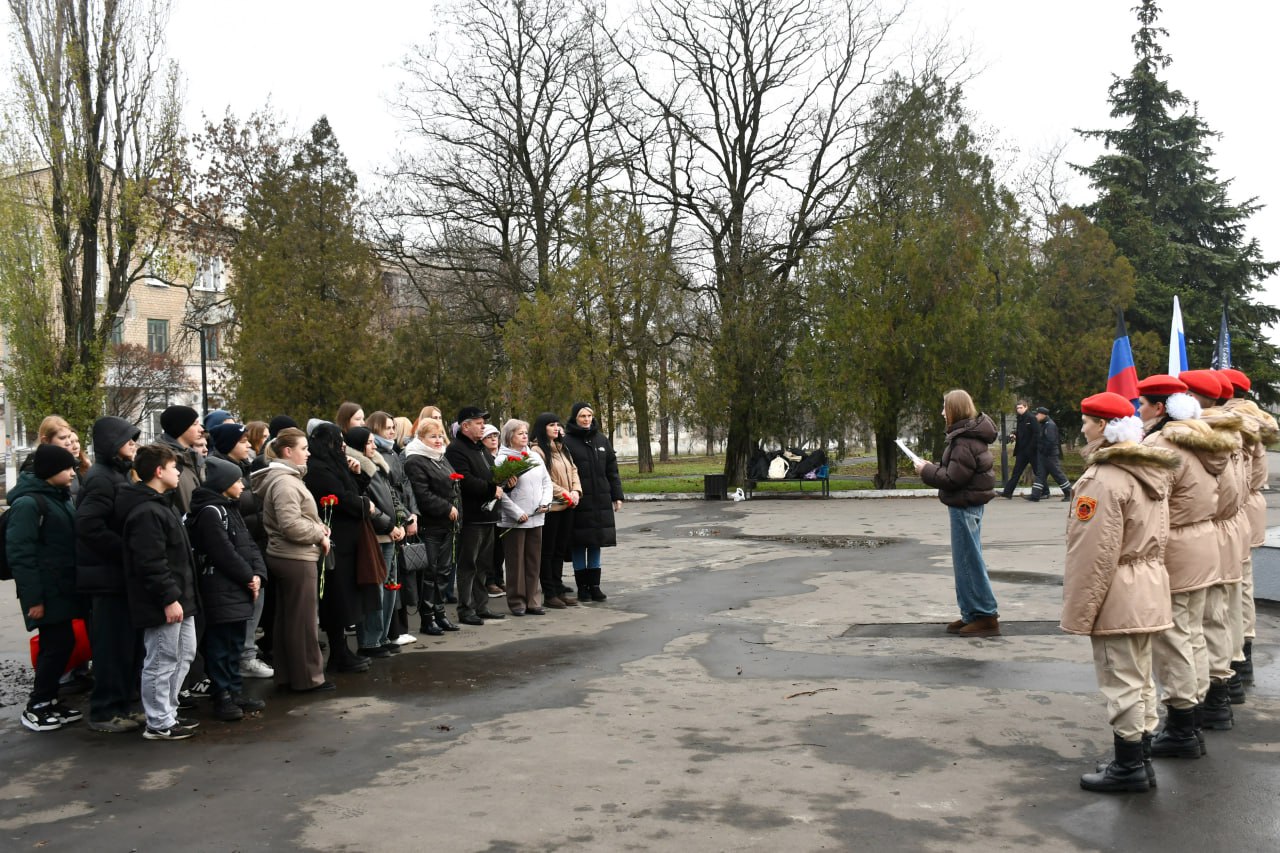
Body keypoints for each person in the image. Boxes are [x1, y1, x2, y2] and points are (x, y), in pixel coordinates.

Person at [1062, 391, 1178, 793]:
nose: (1082, 427)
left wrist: (1080, 613)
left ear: (1102, 428)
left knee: (1121, 679)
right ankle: (1140, 758)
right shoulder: (1146, 470)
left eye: (1087, 421)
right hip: (1148, 587)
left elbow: (1092, 555)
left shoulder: (1103, 479)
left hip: (1120, 593)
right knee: (1141, 675)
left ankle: (1128, 766)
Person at [1137, 374, 1230, 759]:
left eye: (1142, 404)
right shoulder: (1202, 440)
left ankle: (1181, 726)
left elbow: (1147, 504)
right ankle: (1193, 718)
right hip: (1203, 542)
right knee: (1191, 632)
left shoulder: (1162, 443)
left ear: (1159, 408)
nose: (1137, 411)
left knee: (1174, 637)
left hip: (1177, 544)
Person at [117, 444, 200, 741]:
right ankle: (158, 721)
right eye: (174, 467)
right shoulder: (146, 511)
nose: (178, 472)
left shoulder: (162, 504)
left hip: (180, 598)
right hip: (165, 601)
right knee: (162, 659)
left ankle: (169, 712)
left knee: (183, 655)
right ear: (158, 471)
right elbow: (150, 562)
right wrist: (168, 598)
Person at [1179, 369, 1246, 731]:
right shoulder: (1227, 435)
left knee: (1201, 620)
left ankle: (1209, 698)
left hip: (1211, 529)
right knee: (1215, 615)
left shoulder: (1205, 438)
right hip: (1223, 528)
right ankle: (1218, 691)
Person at [250, 428, 333, 693]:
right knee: (303, 622)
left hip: (290, 555)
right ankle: (308, 678)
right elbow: (291, 525)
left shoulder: (286, 478)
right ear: (288, 451)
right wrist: (319, 532)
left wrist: (319, 527)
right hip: (295, 557)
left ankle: (289, 676)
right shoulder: (285, 482)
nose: (308, 453)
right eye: (304, 448)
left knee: (289, 620)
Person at [9, 445, 85, 732]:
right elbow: (21, 555)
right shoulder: (29, 504)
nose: (72, 472)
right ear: (51, 471)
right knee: (54, 646)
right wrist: (34, 599)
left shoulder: (59, 498)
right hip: (46, 591)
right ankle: (37, 705)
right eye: (67, 468)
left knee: (62, 644)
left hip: (62, 587)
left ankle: (49, 700)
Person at [187, 457, 268, 722]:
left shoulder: (229, 508)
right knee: (220, 644)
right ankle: (222, 695)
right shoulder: (211, 512)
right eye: (236, 481)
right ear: (223, 484)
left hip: (236, 587)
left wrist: (258, 574)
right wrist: (248, 576)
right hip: (220, 587)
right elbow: (222, 551)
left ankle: (234, 691)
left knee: (233, 642)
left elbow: (249, 546)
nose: (242, 485)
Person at [75, 415, 143, 734]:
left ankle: (123, 705)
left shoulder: (116, 474)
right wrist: (126, 550)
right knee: (111, 647)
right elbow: (89, 526)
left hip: (117, 576)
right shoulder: (103, 478)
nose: (135, 445)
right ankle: (104, 712)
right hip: (107, 579)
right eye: (129, 441)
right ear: (113, 445)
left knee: (126, 645)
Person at [914, 389, 1001, 637]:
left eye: (944, 407)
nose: (942, 412)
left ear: (953, 410)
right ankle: (972, 613)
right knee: (966, 559)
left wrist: (926, 470)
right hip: (967, 504)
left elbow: (953, 478)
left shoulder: (963, 441)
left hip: (964, 504)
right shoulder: (968, 437)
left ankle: (985, 614)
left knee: (968, 561)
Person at [1219, 368, 1277, 691]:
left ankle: (1236, 657)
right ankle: (1245, 656)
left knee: (1230, 588)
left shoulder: (1234, 425)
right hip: (1249, 506)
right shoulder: (1254, 422)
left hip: (1236, 508)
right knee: (1242, 583)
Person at [305, 422, 377, 673]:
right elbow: (341, 498)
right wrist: (363, 505)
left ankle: (343, 650)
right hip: (336, 541)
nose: (343, 445)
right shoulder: (318, 468)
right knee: (337, 598)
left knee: (347, 597)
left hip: (348, 539)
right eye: (338, 441)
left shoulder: (333, 463)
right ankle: (338, 651)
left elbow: (352, 490)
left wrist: (357, 474)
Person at [209, 422, 275, 680]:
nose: (249, 445)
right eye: (242, 441)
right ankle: (241, 661)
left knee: (255, 602)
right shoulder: (220, 474)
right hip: (237, 551)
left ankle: (245, 655)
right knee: (242, 606)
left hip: (252, 545)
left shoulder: (244, 467)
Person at [345, 426, 406, 658]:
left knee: (390, 588)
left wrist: (401, 520)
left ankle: (382, 636)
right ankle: (369, 641)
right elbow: (367, 504)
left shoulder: (378, 465)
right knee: (375, 589)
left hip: (391, 532)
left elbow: (391, 496)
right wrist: (389, 526)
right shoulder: (357, 467)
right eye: (369, 442)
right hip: (375, 535)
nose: (374, 446)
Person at [444, 407, 508, 626]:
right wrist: (492, 489)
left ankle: (481, 606)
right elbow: (464, 480)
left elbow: (491, 475)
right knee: (468, 564)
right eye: (479, 423)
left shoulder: (480, 448)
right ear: (465, 426)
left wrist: (504, 481)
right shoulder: (456, 449)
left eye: (483, 422)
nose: (483, 426)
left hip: (488, 514)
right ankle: (465, 608)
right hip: (471, 516)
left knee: (483, 564)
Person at [402, 417, 461, 635]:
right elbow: (422, 494)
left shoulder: (441, 457)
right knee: (430, 573)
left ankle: (440, 613)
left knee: (443, 572)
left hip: (447, 524)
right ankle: (427, 618)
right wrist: (446, 507)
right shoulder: (415, 460)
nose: (438, 441)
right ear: (421, 438)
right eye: (432, 437)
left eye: (439, 436)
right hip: (430, 523)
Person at [561, 402, 624, 602]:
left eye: (589, 416)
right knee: (579, 543)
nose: (586, 419)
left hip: (600, 500)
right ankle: (582, 587)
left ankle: (595, 586)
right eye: (582, 416)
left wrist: (617, 495)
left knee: (596, 542)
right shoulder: (567, 442)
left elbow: (612, 470)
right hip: (578, 501)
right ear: (575, 418)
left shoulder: (601, 440)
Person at [367, 411, 419, 646]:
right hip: (383, 526)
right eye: (386, 427)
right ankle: (384, 635)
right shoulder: (376, 457)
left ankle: (391, 632)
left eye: (392, 427)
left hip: (398, 517)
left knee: (395, 581)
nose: (391, 431)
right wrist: (393, 521)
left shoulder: (392, 454)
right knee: (385, 583)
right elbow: (380, 494)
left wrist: (410, 514)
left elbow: (403, 485)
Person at [497, 419, 553, 616]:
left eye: (525, 433)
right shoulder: (502, 459)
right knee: (516, 562)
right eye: (519, 433)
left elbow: (547, 482)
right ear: (509, 436)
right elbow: (499, 492)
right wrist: (515, 512)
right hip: (516, 519)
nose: (524, 436)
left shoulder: (534, 457)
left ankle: (533, 600)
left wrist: (545, 502)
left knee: (533, 560)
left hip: (536, 515)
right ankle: (517, 600)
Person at [530, 412, 582, 608]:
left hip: (568, 505)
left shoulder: (562, 448)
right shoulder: (538, 451)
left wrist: (576, 491)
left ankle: (559, 589)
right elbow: (545, 480)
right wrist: (565, 493)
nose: (556, 428)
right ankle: (549, 593)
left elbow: (574, 470)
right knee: (548, 551)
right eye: (551, 424)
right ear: (542, 427)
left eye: (557, 424)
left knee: (560, 550)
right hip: (552, 508)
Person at [157, 405, 205, 514]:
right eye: (195, 424)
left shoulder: (192, 456)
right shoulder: (162, 459)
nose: (201, 429)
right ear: (180, 427)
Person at [481, 423, 506, 597]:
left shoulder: (502, 456)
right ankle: (489, 580)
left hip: (502, 507)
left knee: (500, 547)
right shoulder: (482, 457)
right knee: (489, 547)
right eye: (489, 437)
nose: (493, 440)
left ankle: (499, 577)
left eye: (495, 436)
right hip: (487, 507)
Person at [1027, 406, 1071, 502]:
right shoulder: (1044, 424)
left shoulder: (1050, 425)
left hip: (1049, 455)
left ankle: (1069, 493)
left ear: (1043, 415)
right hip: (1044, 455)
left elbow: (1050, 442)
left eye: (1037, 414)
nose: (1036, 416)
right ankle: (1035, 496)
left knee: (1057, 474)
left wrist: (1044, 452)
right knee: (1040, 475)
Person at [1000, 401, 1039, 499]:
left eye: (1021, 407)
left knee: (1038, 471)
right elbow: (1020, 432)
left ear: (1026, 407)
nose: (1019, 410)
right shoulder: (1020, 418)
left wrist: (1031, 447)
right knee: (1016, 472)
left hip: (1031, 451)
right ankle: (1008, 492)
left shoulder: (1031, 418)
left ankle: (1045, 491)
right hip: (1021, 451)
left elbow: (1036, 433)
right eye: (1017, 408)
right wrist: (1014, 435)